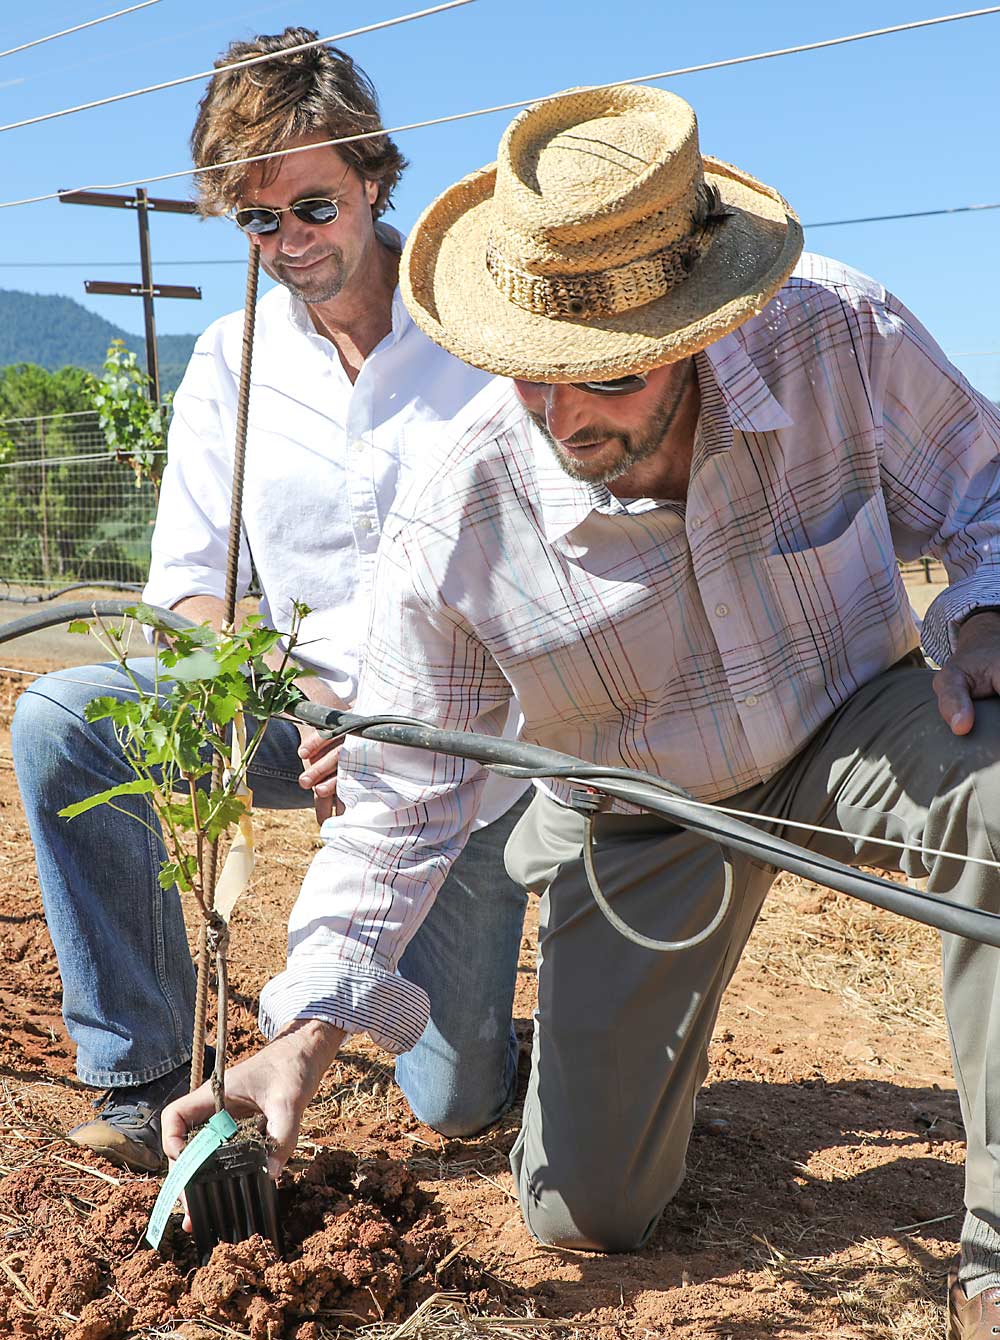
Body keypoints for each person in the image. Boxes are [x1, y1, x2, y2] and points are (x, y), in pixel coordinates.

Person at [163, 83, 1000, 1333]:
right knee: (588, 1209)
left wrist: (983, 615)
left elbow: (987, 493)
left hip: (844, 727)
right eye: (524, 373)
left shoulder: (839, 336)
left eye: (597, 378)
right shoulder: (458, 519)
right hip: (637, 804)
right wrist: (304, 1031)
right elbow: (396, 800)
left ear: (702, 324)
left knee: (995, 778)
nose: (557, 418)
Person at [10, 27, 529, 1176]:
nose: (290, 242)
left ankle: (503, 1044)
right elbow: (190, 589)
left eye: (314, 205)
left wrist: (398, 727)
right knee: (69, 719)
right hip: (289, 722)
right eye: (258, 221)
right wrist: (268, 684)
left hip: (464, 745)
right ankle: (147, 1078)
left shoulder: (486, 341)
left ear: (376, 178)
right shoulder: (231, 363)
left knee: (455, 1102)